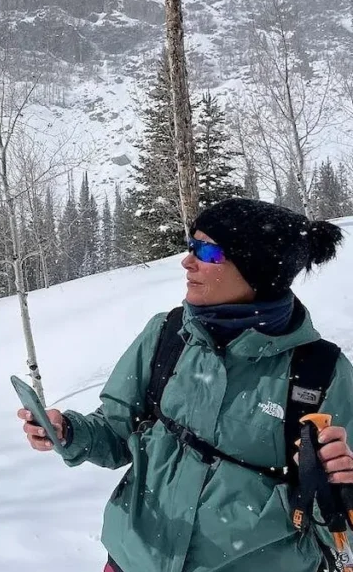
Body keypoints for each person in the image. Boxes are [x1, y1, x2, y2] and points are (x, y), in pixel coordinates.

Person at [18, 198, 351, 572]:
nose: (187, 260)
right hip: (132, 560)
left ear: (257, 270)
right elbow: (116, 431)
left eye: (208, 251)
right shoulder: (168, 334)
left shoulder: (321, 374)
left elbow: (342, 532)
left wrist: (343, 489)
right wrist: (70, 431)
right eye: (191, 245)